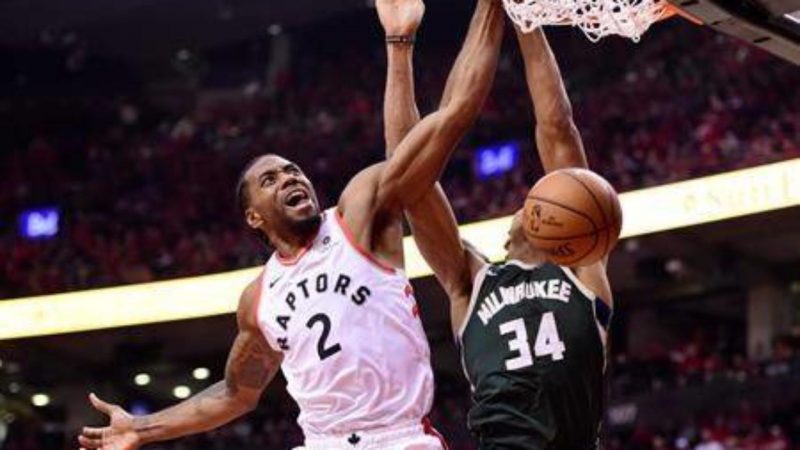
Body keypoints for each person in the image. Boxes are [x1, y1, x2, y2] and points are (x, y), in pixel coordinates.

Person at [76, 0, 504, 449]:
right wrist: (141, 429)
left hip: (398, 438)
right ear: (253, 216)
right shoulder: (258, 299)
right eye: (270, 178)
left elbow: (436, 129)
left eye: (293, 170)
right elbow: (236, 393)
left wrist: (401, 44)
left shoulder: (357, 218)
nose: (290, 177)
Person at [386, 25, 615, 450]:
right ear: (509, 233)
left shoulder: (581, 263)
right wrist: (399, 47)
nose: (531, 201)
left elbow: (557, 127)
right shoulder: (469, 281)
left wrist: (526, 20)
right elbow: (409, 173)